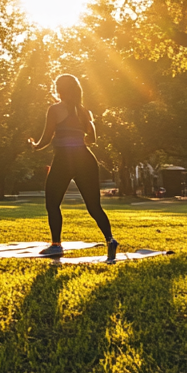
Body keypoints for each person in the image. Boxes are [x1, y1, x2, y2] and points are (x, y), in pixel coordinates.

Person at [29, 74, 118, 261]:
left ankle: (56, 245)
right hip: (85, 158)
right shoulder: (84, 111)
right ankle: (110, 239)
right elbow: (92, 139)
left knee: (52, 203)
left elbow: (46, 138)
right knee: (94, 206)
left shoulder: (54, 109)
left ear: (59, 89)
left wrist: (35, 145)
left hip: (64, 159)